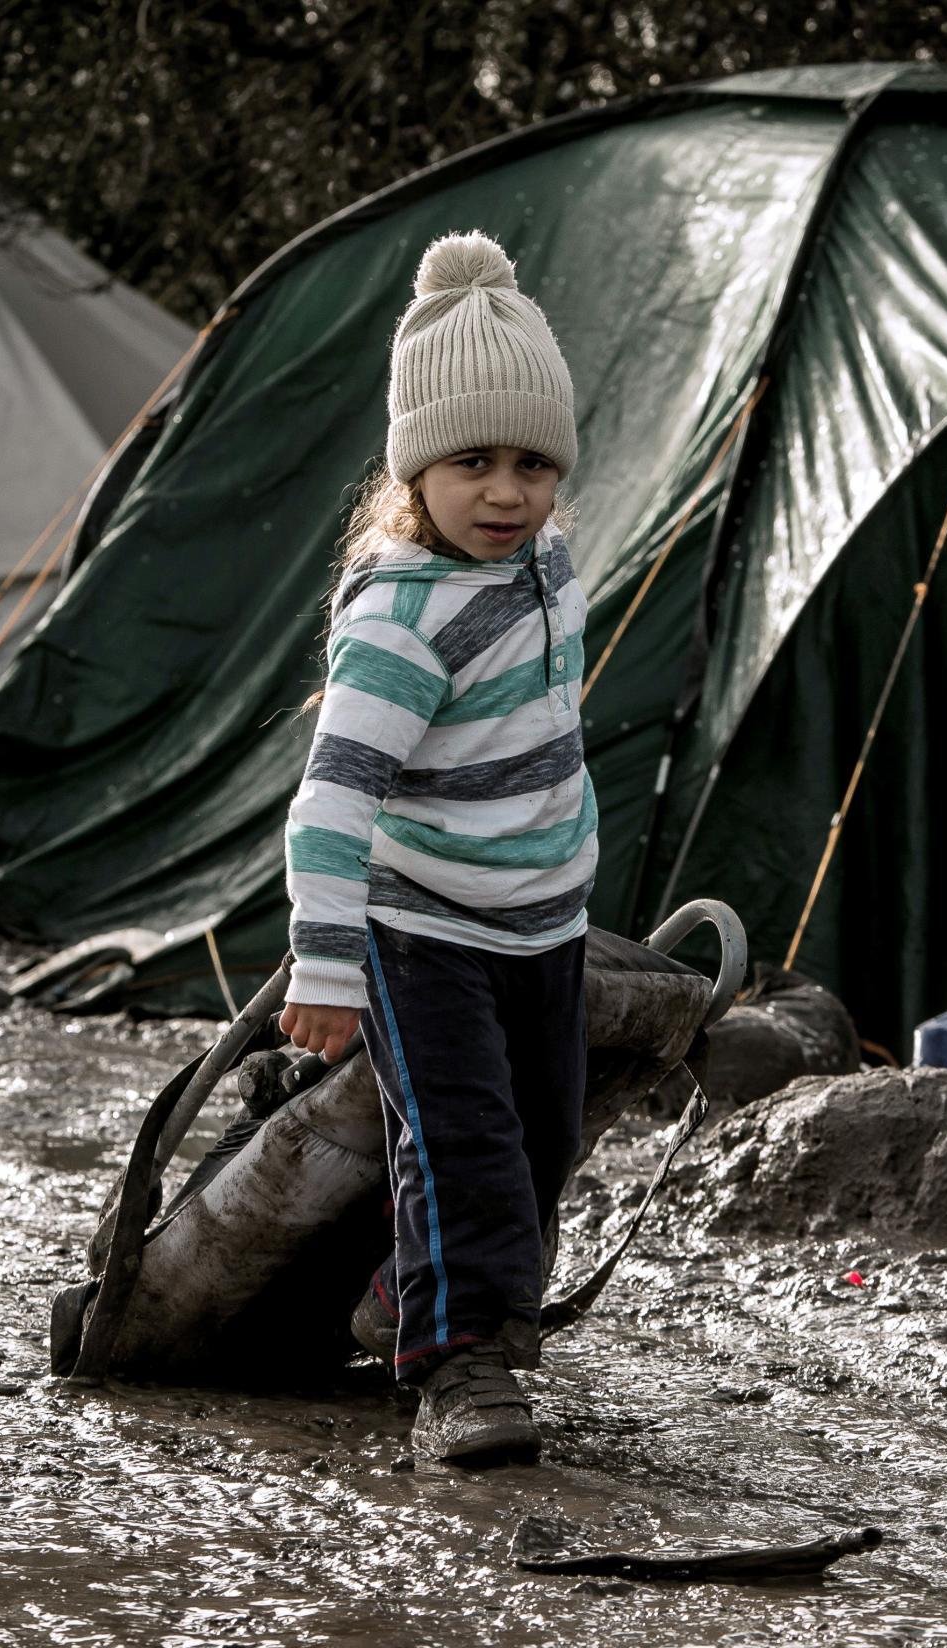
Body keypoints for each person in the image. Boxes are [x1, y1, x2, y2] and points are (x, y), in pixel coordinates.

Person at [276, 231, 594, 1468]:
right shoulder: (405, 620)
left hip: (543, 920)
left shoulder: (545, 567)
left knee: (544, 1143)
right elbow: (331, 802)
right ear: (418, 469)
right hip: (425, 931)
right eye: (472, 463)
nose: (506, 494)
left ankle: (406, 1298)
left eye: (531, 463)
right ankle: (460, 1373)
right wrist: (324, 963)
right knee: (464, 1145)